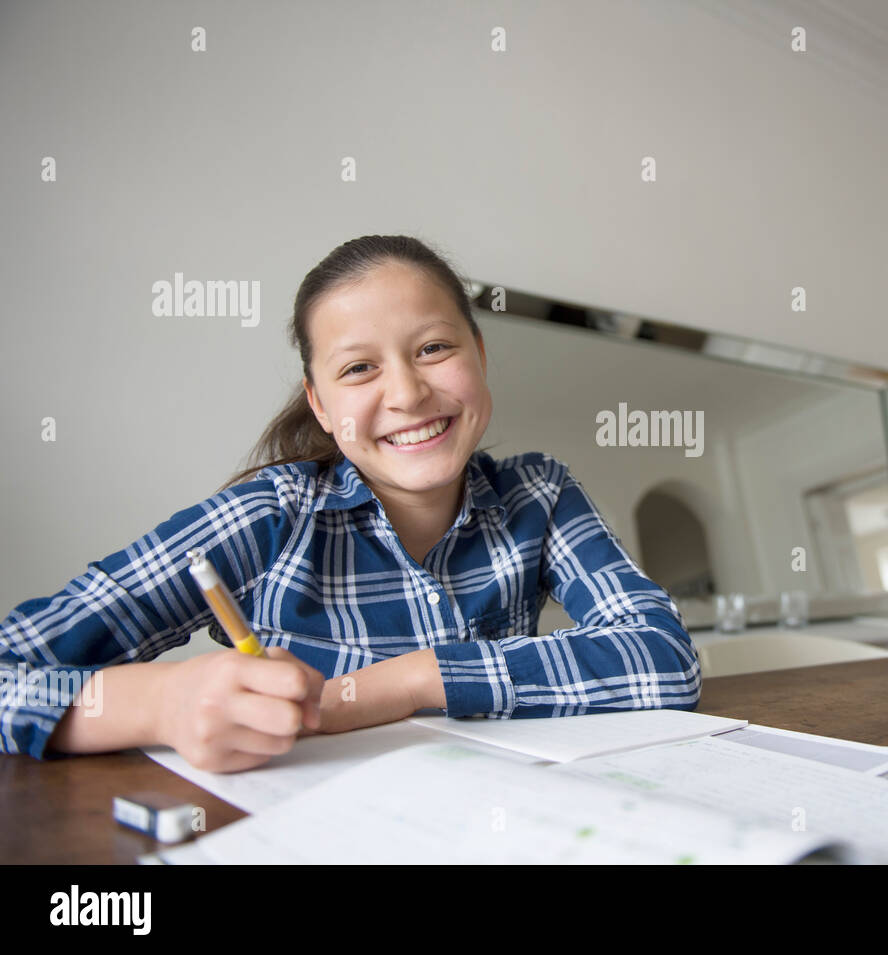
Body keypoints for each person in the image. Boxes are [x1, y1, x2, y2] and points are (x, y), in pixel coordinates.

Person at [0, 234, 701, 772]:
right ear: (321, 404)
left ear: (479, 355)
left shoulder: (539, 494)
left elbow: (665, 657)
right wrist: (161, 703)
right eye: (359, 368)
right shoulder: (267, 515)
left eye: (432, 348)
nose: (405, 393)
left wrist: (411, 679)